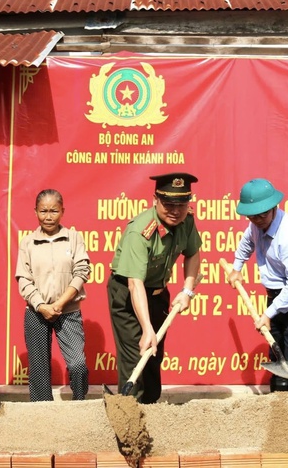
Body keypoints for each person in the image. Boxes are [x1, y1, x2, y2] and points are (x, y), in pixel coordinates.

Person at [107, 172, 202, 404]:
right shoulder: (140, 232)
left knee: (153, 355)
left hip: (158, 294)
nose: (175, 210)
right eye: (168, 204)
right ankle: (129, 413)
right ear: (155, 200)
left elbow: (193, 254)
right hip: (128, 296)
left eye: (181, 204)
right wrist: (147, 328)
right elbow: (134, 283)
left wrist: (187, 290)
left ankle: (150, 408)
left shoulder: (186, 221)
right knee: (136, 354)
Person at [227, 178, 288, 392]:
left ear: (274, 207)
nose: (257, 220)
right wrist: (236, 268)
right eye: (252, 215)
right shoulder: (255, 225)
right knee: (276, 355)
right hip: (276, 295)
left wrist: (269, 314)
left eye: (262, 214)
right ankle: (277, 411)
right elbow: (246, 244)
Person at [16, 189, 91, 401]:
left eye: (54, 211)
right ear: (35, 212)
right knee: (39, 371)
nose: (48, 216)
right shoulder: (28, 242)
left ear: (62, 211)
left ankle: (80, 406)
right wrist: (41, 306)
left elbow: (82, 271)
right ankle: (42, 417)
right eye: (43, 211)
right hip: (36, 312)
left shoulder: (74, 238)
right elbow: (23, 279)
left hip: (68, 311)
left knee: (78, 365)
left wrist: (60, 303)